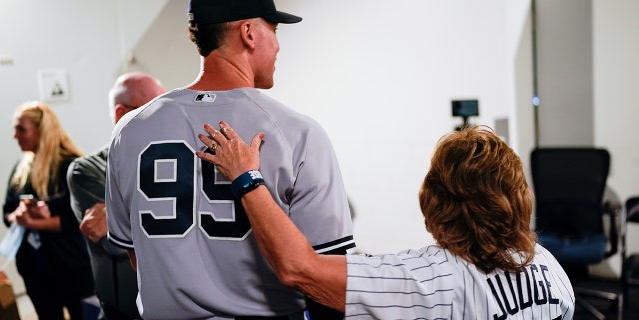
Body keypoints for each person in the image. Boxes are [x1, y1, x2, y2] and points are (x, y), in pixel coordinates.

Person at [105, 1, 355, 319]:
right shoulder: (296, 132)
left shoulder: (130, 129)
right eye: (274, 30)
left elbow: (134, 251)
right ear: (248, 32)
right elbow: (327, 275)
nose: (278, 45)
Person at [196, 122, 576, 319]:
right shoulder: (548, 266)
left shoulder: (428, 281)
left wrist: (246, 177)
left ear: (433, 201)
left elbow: (299, 269)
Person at [67, 72, 166, 320]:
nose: (167, 119)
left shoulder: (171, 162)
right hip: (123, 310)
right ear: (122, 114)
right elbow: (115, 245)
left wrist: (118, 215)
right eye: (157, 109)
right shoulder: (88, 169)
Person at [3, 101, 94, 320]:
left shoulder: (71, 165)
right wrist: (18, 215)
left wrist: (36, 223)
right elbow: (7, 210)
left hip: (71, 265)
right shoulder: (21, 168)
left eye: (21, 129)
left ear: (41, 130)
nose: (15, 135)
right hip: (35, 268)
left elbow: (81, 218)